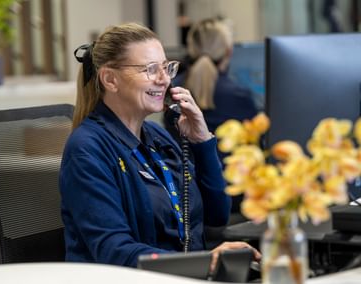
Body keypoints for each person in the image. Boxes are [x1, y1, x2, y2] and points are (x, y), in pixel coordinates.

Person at [59, 22, 260, 270]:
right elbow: (114, 251)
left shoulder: (156, 136)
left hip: (184, 275)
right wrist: (203, 262)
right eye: (150, 69)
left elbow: (217, 214)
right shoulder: (87, 148)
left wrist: (202, 140)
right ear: (110, 79)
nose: (164, 79)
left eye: (166, 67)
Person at [165, 18, 258, 217]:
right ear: (228, 52)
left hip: (186, 201)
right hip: (233, 203)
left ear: (191, 48)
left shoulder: (173, 92)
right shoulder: (240, 96)